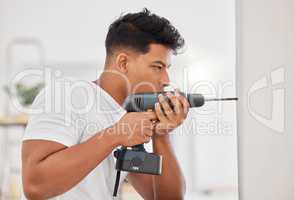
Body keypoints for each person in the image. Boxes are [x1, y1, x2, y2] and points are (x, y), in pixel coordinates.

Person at [21, 8, 190, 200]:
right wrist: (116, 134)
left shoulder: (128, 118)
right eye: (157, 67)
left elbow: (166, 198)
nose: (166, 79)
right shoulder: (67, 94)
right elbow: (35, 186)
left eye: (167, 69)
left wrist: (162, 135)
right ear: (123, 63)